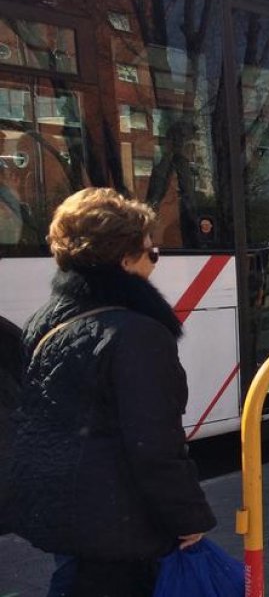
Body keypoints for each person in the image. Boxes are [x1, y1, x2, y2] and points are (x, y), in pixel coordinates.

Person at [6, 187, 215, 597]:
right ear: (124, 261)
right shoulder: (137, 334)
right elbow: (153, 444)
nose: (155, 262)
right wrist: (188, 518)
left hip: (62, 509)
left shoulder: (42, 321)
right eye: (151, 253)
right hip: (119, 524)